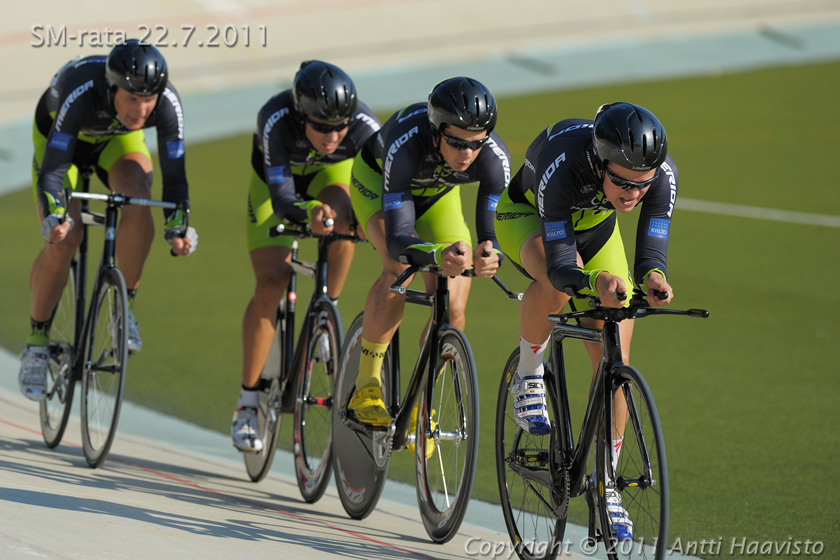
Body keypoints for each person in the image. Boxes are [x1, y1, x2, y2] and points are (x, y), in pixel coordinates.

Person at [494, 101, 677, 541]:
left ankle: (605, 481)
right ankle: (528, 374)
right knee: (557, 288)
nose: (633, 193)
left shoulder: (661, 174)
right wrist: (596, 279)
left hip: (596, 230)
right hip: (531, 221)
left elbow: (652, 246)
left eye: (642, 185)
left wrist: (654, 277)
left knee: (616, 357)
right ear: (599, 163)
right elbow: (560, 265)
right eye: (622, 183)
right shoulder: (563, 167)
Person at [19, 40, 197, 402]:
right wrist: (55, 213)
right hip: (61, 143)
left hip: (117, 141)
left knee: (137, 200)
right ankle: (37, 342)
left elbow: (175, 178)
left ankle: (123, 307)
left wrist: (178, 225)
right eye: (131, 98)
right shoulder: (82, 89)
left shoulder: (167, 103)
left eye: (148, 100)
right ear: (112, 88)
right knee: (65, 237)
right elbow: (53, 170)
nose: (142, 108)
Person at [346, 77, 511, 432]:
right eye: (456, 142)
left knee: (452, 305)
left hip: (438, 194)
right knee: (397, 269)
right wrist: (437, 253)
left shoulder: (494, 159)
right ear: (436, 131)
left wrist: (489, 255)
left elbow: (491, 237)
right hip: (379, 185)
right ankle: (367, 385)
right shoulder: (405, 145)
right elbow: (398, 239)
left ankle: (421, 404)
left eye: (476, 144)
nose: (467, 154)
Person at [231, 60, 381, 452]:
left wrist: (370, 220)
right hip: (274, 190)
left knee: (345, 217)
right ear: (301, 117)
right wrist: (305, 213)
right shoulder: (276, 118)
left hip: (328, 182)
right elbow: (282, 200)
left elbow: (381, 190)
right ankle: (248, 401)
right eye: (321, 127)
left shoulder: (366, 126)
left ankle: (326, 308)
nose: (332, 136)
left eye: (340, 127)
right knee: (270, 284)